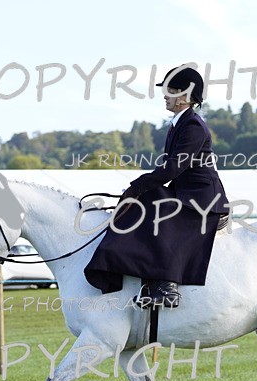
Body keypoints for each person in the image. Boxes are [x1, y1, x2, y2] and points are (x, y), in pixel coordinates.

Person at [84, 65, 229, 308]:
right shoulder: (178, 123)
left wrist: (138, 186)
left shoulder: (192, 126)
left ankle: (168, 286)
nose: (165, 96)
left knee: (155, 207)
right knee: (147, 200)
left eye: (171, 91)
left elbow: (173, 168)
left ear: (185, 96)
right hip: (186, 192)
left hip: (202, 198)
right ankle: (140, 274)